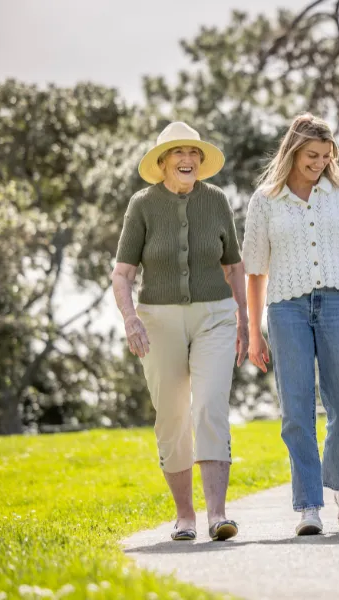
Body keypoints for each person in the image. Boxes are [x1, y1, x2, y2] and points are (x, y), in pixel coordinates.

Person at [243, 113, 339, 536]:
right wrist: (254, 333)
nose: (319, 163)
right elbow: (255, 272)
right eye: (311, 155)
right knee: (295, 412)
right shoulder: (265, 200)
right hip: (285, 310)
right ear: (292, 152)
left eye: (326, 156)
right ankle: (309, 505)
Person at [112, 121, 248, 542]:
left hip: (215, 316)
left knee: (209, 406)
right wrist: (130, 318)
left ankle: (218, 516)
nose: (187, 159)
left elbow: (234, 265)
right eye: (178, 153)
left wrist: (244, 318)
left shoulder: (217, 200)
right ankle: (185, 516)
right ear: (163, 162)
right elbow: (122, 274)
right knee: (172, 416)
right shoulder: (142, 204)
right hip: (158, 319)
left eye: (194, 152)